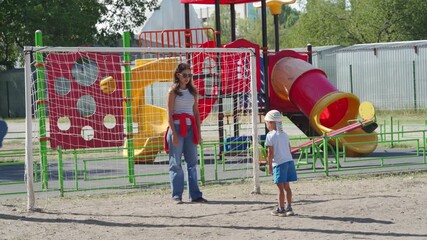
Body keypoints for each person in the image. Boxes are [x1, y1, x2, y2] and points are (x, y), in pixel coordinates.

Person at [165, 63, 207, 204]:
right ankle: (177, 195)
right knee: (175, 163)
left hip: (190, 130)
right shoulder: (172, 92)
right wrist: (174, 135)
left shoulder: (193, 92)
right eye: (184, 75)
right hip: (177, 128)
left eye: (190, 75)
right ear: (178, 75)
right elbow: (169, 115)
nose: (187, 78)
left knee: (192, 163)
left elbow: (196, 113)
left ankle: (195, 195)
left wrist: (199, 133)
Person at [264, 110, 297, 216]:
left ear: (272, 123)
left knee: (280, 188)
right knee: (287, 187)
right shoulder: (285, 134)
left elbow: (270, 153)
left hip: (279, 163)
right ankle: (289, 208)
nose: (267, 125)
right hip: (289, 161)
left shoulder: (270, 135)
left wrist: (269, 166)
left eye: (267, 122)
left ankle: (281, 208)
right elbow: (289, 148)